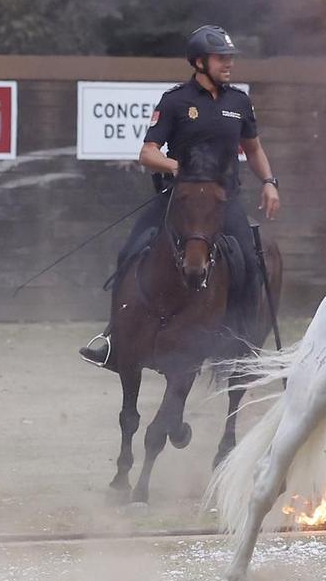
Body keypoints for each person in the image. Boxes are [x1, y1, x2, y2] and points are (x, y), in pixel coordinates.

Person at [79, 24, 281, 366]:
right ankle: (114, 337)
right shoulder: (175, 102)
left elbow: (254, 149)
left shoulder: (240, 102)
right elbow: (148, 153)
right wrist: (175, 167)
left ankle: (240, 340)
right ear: (199, 62)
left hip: (224, 202)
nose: (229, 63)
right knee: (130, 250)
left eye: (230, 57)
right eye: (221, 58)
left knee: (249, 259)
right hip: (176, 200)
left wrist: (269, 181)